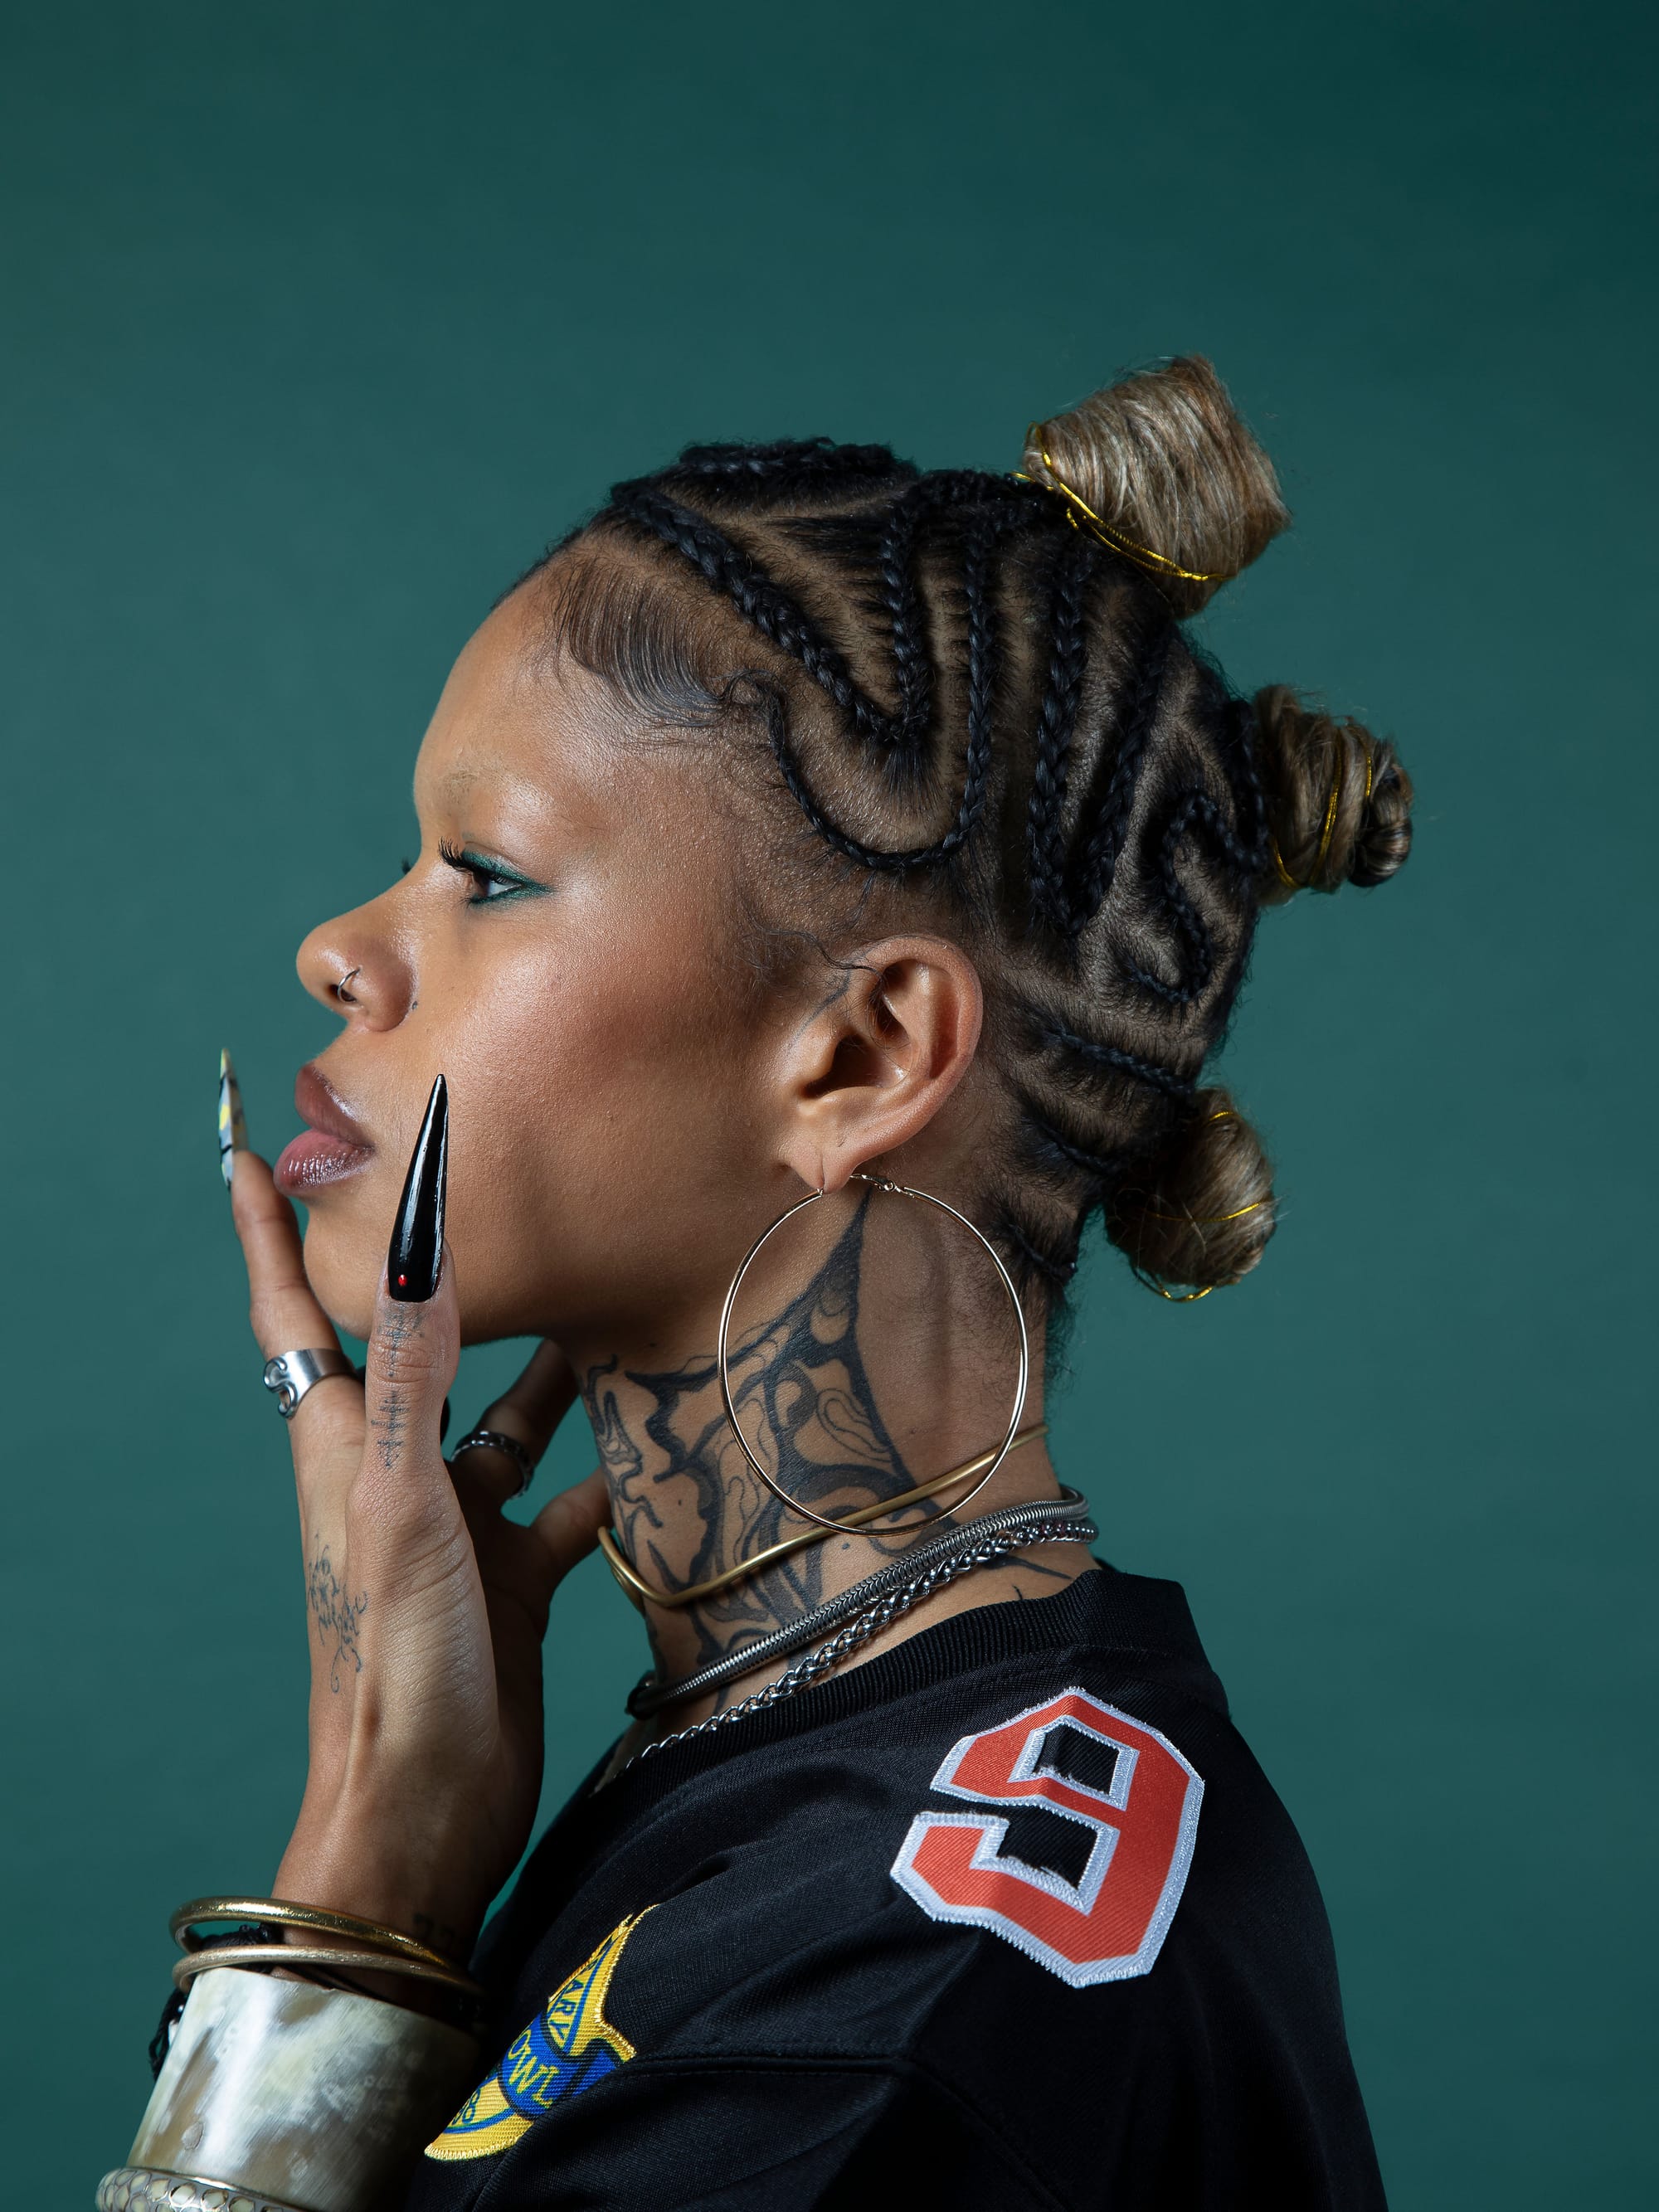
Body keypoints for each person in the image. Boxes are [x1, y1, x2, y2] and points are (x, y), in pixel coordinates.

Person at [105, 357, 1412, 2212]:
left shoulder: (885, 2005)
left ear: (862, 1053)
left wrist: (351, 1899)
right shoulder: (822, 1758)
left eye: (484, 873)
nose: (341, 949)